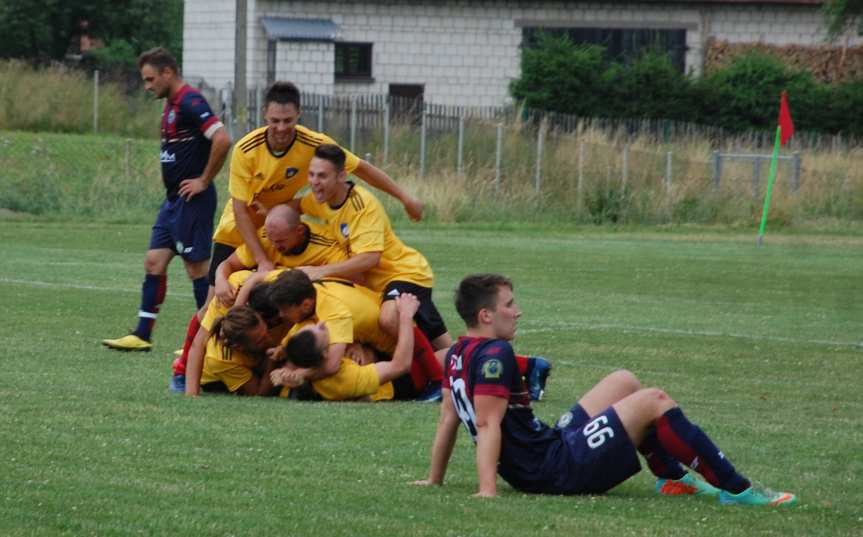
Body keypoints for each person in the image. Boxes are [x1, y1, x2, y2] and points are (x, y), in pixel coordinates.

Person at [414, 273, 797, 506]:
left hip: (547, 451)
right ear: (486, 315)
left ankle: (673, 480)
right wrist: (487, 491)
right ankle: (739, 489)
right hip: (553, 470)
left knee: (624, 381)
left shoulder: (457, 352)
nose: (518, 311)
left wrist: (434, 480)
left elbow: (449, 419)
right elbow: (486, 425)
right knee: (655, 400)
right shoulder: (497, 352)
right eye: (510, 305)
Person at [102, 47, 231, 352]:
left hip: (193, 202)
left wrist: (203, 180)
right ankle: (142, 335)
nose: (147, 86)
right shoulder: (172, 104)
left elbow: (222, 138)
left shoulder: (190, 101)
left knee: (197, 269)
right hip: (173, 201)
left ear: (167, 73)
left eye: (150, 79)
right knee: (154, 261)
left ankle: (207, 339)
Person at [294, 144, 451, 352]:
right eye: (311, 175)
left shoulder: (362, 205)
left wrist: (320, 271)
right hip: (378, 286)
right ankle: (456, 363)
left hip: (405, 273)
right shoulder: (321, 199)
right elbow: (295, 206)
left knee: (388, 320)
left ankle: (429, 369)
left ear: (341, 176)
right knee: (442, 343)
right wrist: (265, 214)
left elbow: (370, 259)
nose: (314, 182)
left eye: (322, 176)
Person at [265, 269, 443, 399]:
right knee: (449, 356)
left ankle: (438, 376)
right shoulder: (309, 293)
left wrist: (297, 373)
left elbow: (331, 365)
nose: (281, 315)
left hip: (399, 342)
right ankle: (443, 372)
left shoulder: (334, 314)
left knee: (443, 357)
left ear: (305, 305)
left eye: (284, 310)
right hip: (395, 356)